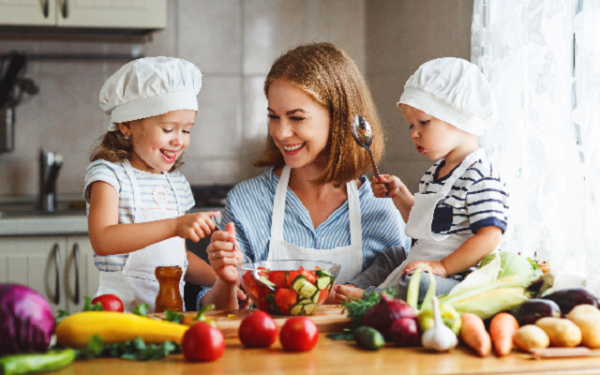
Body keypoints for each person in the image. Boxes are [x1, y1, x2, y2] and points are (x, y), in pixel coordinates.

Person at [200, 42, 412, 309]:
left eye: (297, 118)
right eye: (273, 116)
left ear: (339, 118)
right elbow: (214, 314)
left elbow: (400, 304)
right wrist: (226, 282)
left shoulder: (383, 208)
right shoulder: (246, 202)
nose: (280, 132)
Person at [335, 57, 509, 302]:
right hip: (428, 262)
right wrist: (400, 194)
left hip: (458, 277)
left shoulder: (481, 176)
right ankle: (352, 288)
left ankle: (370, 298)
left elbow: (490, 237)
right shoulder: (434, 173)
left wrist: (443, 267)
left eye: (423, 123)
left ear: (458, 117)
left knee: (420, 283)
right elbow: (424, 226)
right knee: (393, 255)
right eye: (411, 126)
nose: (414, 133)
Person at [84, 57, 219, 313]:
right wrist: (176, 225)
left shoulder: (175, 182)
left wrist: (223, 280)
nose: (179, 141)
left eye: (187, 130)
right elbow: (103, 240)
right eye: (168, 129)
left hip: (169, 314)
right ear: (127, 125)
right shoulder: (108, 174)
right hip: (119, 315)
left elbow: (179, 259)